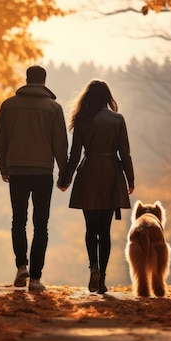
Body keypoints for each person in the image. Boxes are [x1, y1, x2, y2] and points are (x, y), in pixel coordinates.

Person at [0, 65, 68, 291]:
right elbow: (60, 145)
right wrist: (64, 174)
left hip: (17, 170)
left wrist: (4, 167)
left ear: (26, 80)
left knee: (18, 220)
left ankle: (21, 266)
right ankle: (36, 278)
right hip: (43, 172)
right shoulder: (54, 108)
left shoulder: (8, 106)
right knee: (41, 225)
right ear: (44, 82)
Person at [57, 80, 134, 294]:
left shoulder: (82, 119)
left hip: (89, 172)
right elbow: (124, 153)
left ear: (88, 97)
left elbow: (74, 154)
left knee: (91, 229)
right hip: (111, 174)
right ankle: (102, 281)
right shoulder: (117, 119)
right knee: (105, 231)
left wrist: (65, 179)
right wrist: (130, 180)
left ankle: (93, 267)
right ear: (107, 96)